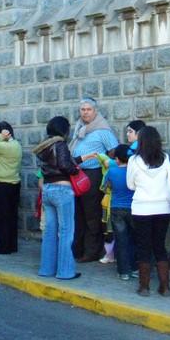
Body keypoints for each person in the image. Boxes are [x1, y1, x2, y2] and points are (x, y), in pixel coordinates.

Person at [126, 126, 170, 297]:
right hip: (162, 208)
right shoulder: (164, 158)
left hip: (142, 207)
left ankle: (144, 286)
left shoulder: (133, 161)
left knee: (143, 247)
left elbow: (130, 185)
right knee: (159, 246)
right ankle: (165, 286)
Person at [70, 97, 118, 262]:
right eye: (83, 110)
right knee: (78, 214)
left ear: (95, 111)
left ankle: (92, 251)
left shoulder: (103, 130)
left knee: (92, 214)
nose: (85, 112)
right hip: (77, 175)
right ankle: (79, 249)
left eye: (88, 109)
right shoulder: (80, 128)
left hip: (93, 174)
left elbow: (114, 152)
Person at [34, 116, 80, 280]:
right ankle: (65, 271)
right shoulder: (60, 144)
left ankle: (46, 269)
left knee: (50, 232)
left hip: (47, 189)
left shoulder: (44, 146)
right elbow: (64, 164)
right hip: (62, 190)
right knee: (66, 231)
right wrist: (75, 170)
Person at [0, 121, 22, 254]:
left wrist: (0, 137)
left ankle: (4, 246)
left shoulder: (2, 146)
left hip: (2, 185)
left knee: (2, 217)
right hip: (14, 184)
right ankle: (12, 244)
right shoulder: (16, 144)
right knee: (12, 216)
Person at [104, 144, 135, 281]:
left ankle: (123, 271)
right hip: (133, 208)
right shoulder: (133, 171)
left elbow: (106, 187)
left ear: (116, 159)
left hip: (116, 208)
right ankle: (135, 268)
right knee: (134, 239)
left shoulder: (111, 171)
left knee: (121, 240)